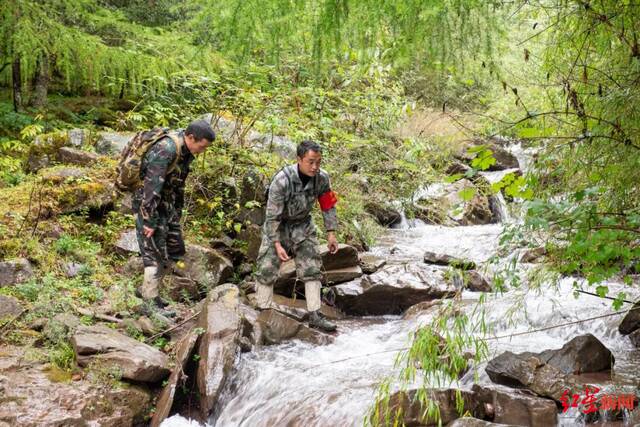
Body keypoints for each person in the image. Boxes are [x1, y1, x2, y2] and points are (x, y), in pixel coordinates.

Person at [254, 140, 339, 332]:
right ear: (299, 159)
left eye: (318, 162)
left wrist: (331, 234)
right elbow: (272, 216)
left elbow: (328, 205)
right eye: (310, 162)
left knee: (312, 267)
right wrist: (276, 244)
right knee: (267, 267)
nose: (315, 166)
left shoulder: (322, 178)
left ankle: (315, 314)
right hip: (278, 225)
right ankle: (263, 310)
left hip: (303, 225)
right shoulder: (282, 180)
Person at [134, 119, 215, 309]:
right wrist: (149, 220)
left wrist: (176, 214)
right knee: (152, 251)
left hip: (166, 205)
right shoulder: (166, 149)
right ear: (191, 137)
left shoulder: (185, 151)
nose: (202, 151)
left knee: (173, 248)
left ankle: (148, 291)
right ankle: (149, 303)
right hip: (149, 206)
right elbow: (151, 186)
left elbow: (178, 185)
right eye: (202, 147)